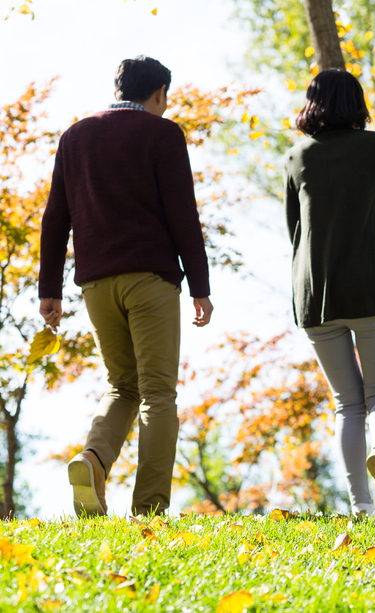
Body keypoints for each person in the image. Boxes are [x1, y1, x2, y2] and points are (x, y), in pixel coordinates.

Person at [38, 56, 214, 517]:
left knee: (121, 385)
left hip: (95, 284)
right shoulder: (163, 133)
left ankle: (92, 460)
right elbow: (183, 214)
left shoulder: (75, 136)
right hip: (150, 279)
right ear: (158, 92)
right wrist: (200, 284)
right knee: (157, 391)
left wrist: (49, 290)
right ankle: (149, 509)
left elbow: (55, 217)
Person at [284, 68, 375, 517]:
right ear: (356, 102)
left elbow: (294, 231)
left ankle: (361, 506)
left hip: (315, 296)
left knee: (346, 403)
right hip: (371, 286)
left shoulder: (296, 155)